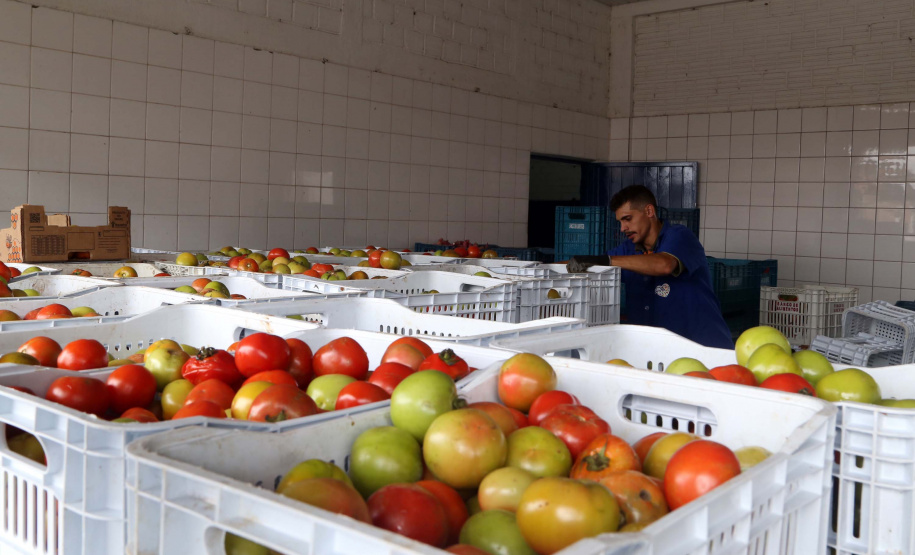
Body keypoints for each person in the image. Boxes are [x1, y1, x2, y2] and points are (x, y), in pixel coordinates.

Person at [567, 185, 733, 349]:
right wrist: (548, 268)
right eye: (620, 222)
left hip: (704, 349)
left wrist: (606, 260)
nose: (623, 228)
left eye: (627, 219)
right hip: (657, 354)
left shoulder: (680, 236)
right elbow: (590, 264)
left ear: (649, 211)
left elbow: (664, 264)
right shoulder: (627, 250)